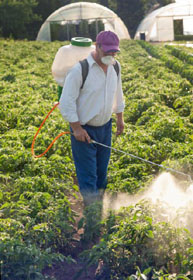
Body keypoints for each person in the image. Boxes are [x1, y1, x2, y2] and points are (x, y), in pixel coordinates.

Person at [59, 30, 125, 206]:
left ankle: (99, 209)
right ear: (97, 46)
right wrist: (77, 128)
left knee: (101, 174)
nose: (111, 55)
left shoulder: (115, 67)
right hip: (85, 131)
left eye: (114, 51)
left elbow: (118, 93)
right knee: (88, 177)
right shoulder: (80, 70)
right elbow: (66, 102)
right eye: (108, 51)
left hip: (105, 127)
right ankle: (92, 218)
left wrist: (120, 118)